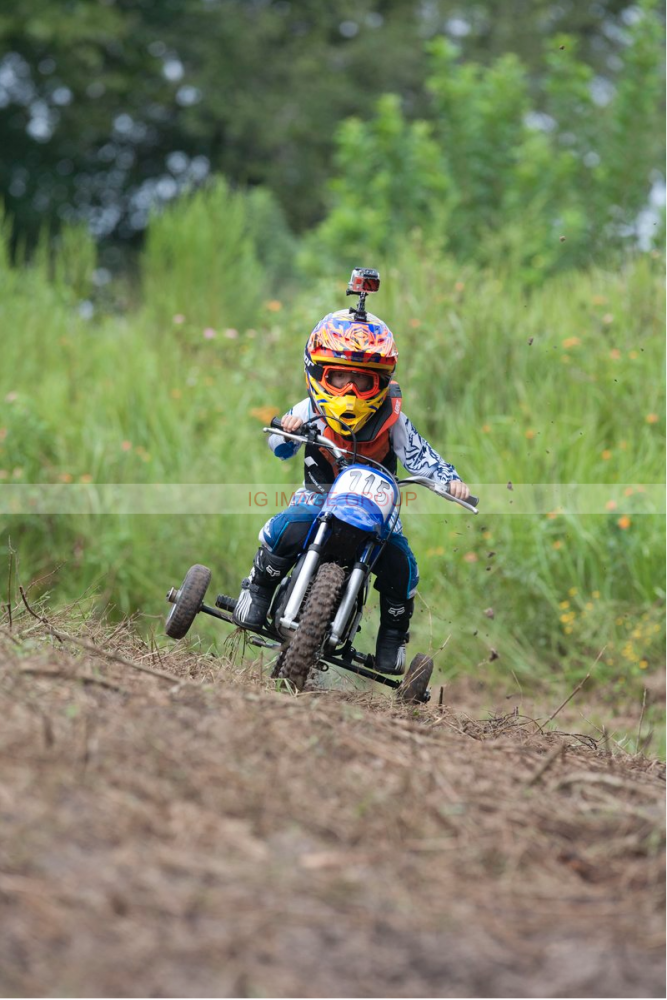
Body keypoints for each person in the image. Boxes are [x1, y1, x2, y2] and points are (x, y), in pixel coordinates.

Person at [233, 306, 470, 673]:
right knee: (286, 526)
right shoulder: (310, 409)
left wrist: (448, 480)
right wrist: (289, 429)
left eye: (361, 381)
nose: (349, 390)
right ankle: (259, 588)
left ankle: (393, 635)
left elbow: (422, 457)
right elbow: (279, 446)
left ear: (381, 382)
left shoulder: (393, 419)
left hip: (376, 508)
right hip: (319, 497)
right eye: (339, 377)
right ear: (318, 374)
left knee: (402, 564)